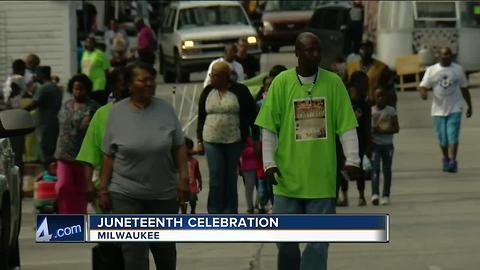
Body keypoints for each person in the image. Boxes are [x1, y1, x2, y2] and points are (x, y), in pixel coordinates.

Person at [255, 32, 360, 270]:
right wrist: (269, 163)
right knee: (286, 241)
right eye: (309, 50)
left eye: (317, 50)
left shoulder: (333, 83)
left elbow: (346, 125)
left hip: (321, 181)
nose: (315, 55)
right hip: (287, 180)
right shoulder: (281, 83)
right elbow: (269, 128)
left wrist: (353, 158)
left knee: (318, 243)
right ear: (297, 53)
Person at [98, 62, 189, 270]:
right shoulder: (117, 113)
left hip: (163, 194)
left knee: (165, 251)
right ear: (129, 85)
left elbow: (179, 147)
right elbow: (108, 155)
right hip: (126, 193)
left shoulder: (166, 109)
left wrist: (184, 179)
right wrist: (103, 188)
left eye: (151, 79)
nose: (149, 84)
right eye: (143, 80)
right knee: (134, 252)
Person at [197, 61, 256, 214]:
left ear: (225, 76)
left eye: (214, 75)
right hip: (211, 140)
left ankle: (230, 210)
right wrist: (199, 140)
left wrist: (252, 137)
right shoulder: (207, 91)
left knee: (230, 176)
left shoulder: (240, 90)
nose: (211, 78)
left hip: (234, 140)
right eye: (211, 75)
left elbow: (252, 113)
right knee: (216, 175)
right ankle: (215, 210)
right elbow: (201, 117)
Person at [76, 67, 129, 203]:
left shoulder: (149, 112)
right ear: (113, 87)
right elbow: (89, 154)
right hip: (111, 191)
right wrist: (89, 184)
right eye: (123, 85)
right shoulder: (101, 114)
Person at [419, 47, 473, 173]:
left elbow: (464, 88)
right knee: (442, 139)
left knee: (452, 136)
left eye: (448, 54)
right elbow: (422, 86)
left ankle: (453, 161)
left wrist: (469, 105)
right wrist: (423, 93)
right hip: (437, 110)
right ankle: (446, 158)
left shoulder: (458, 69)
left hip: (455, 108)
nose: (446, 56)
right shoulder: (432, 70)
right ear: (439, 56)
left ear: (451, 56)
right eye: (443, 54)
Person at [54, 74, 99, 214]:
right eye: (76, 89)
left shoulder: (93, 107)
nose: (78, 92)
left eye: (81, 89)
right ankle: (65, 216)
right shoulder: (66, 104)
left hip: (82, 155)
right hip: (63, 152)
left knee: (80, 189)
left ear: (87, 90)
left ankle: (79, 218)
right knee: (63, 186)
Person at [337, 81, 372, 207]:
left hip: (360, 140)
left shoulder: (364, 105)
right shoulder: (343, 104)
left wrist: (369, 143)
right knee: (342, 169)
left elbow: (368, 124)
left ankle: (361, 196)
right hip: (343, 141)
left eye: (353, 90)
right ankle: (344, 197)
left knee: (359, 169)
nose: (352, 93)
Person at [24, 66, 63, 163]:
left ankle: (47, 172)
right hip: (54, 121)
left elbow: (34, 104)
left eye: (37, 75)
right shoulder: (54, 86)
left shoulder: (44, 88)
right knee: (52, 148)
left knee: (45, 149)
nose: (36, 77)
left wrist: (20, 112)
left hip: (45, 123)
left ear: (43, 75)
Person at [371, 88, 399, 205]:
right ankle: (375, 194)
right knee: (375, 169)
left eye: (382, 96)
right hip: (375, 145)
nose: (380, 98)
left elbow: (396, 128)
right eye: (378, 96)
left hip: (388, 145)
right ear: (374, 97)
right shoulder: (371, 111)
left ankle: (386, 195)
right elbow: (371, 130)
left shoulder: (391, 111)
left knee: (387, 170)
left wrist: (382, 129)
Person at [81, 37, 111, 106]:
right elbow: (85, 69)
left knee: (98, 103)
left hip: (98, 83)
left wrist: (107, 83)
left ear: (94, 44)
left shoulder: (100, 54)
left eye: (91, 42)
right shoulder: (85, 53)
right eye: (87, 42)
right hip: (88, 84)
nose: (89, 44)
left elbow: (106, 69)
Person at [179, 137, 202, 214]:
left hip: (192, 186)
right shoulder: (179, 161)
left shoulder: (194, 161)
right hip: (182, 185)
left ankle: (193, 210)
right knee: (183, 202)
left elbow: (198, 173)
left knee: (192, 200)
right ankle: (184, 213)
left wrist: (200, 183)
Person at [240, 136, 258, 214]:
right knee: (249, 188)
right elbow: (241, 151)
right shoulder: (244, 134)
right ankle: (250, 207)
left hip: (260, 166)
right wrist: (254, 149)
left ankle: (260, 205)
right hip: (248, 166)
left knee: (262, 188)